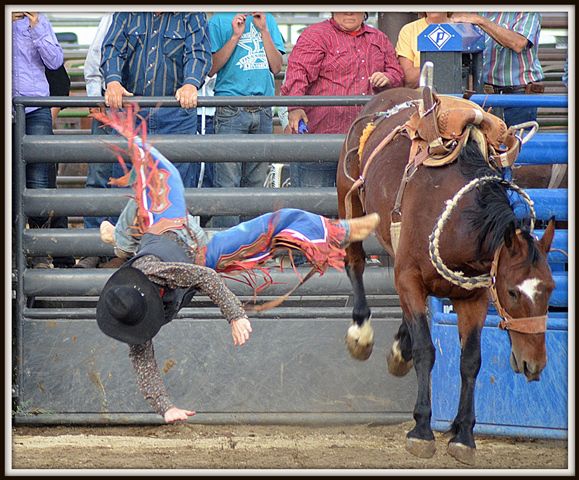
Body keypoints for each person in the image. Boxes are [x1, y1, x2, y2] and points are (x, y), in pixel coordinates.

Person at [93, 106, 380, 423]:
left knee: (162, 174)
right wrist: (166, 408)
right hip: (197, 253)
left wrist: (235, 316)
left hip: (177, 231)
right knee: (270, 228)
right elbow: (143, 362)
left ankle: (344, 230)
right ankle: (119, 240)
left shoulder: (152, 272)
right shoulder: (136, 320)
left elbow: (204, 277)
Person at [280, 12, 404, 188]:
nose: (349, 11)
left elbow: (397, 73)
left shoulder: (379, 38)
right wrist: (295, 107)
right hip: (321, 137)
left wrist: (388, 77)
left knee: (357, 206)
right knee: (313, 205)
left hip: (364, 143)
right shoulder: (316, 35)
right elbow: (298, 72)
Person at [100, 12, 212, 188]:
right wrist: (113, 81)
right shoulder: (126, 13)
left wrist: (191, 83)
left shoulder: (192, 14)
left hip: (175, 114)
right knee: (128, 187)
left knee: (175, 186)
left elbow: (198, 54)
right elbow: (112, 50)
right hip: (132, 114)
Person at [208, 12, 286, 228]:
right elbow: (210, 67)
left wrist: (264, 31)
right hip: (230, 106)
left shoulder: (267, 18)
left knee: (256, 183)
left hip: (262, 107)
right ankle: (228, 248)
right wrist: (234, 36)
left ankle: (251, 247)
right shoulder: (218, 20)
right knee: (227, 182)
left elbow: (277, 66)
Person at [12, 11, 65, 269]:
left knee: (40, 179)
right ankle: (15, 250)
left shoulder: (40, 20)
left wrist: (36, 26)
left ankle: (38, 250)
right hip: (24, 107)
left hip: (35, 106)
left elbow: (55, 62)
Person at [450, 12, 544, 127]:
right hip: (485, 94)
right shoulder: (477, 11)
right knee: (486, 142)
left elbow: (518, 43)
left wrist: (481, 21)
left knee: (518, 142)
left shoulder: (527, 11)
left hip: (519, 95)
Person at [75, 13, 116, 269]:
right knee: (100, 175)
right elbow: (94, 60)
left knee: (124, 179)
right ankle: (94, 247)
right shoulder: (114, 16)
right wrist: (95, 97)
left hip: (138, 108)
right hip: (109, 104)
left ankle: (117, 250)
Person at [395, 12, 452, 88]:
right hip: (421, 95)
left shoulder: (462, 27)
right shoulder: (409, 30)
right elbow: (409, 79)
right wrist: (443, 63)